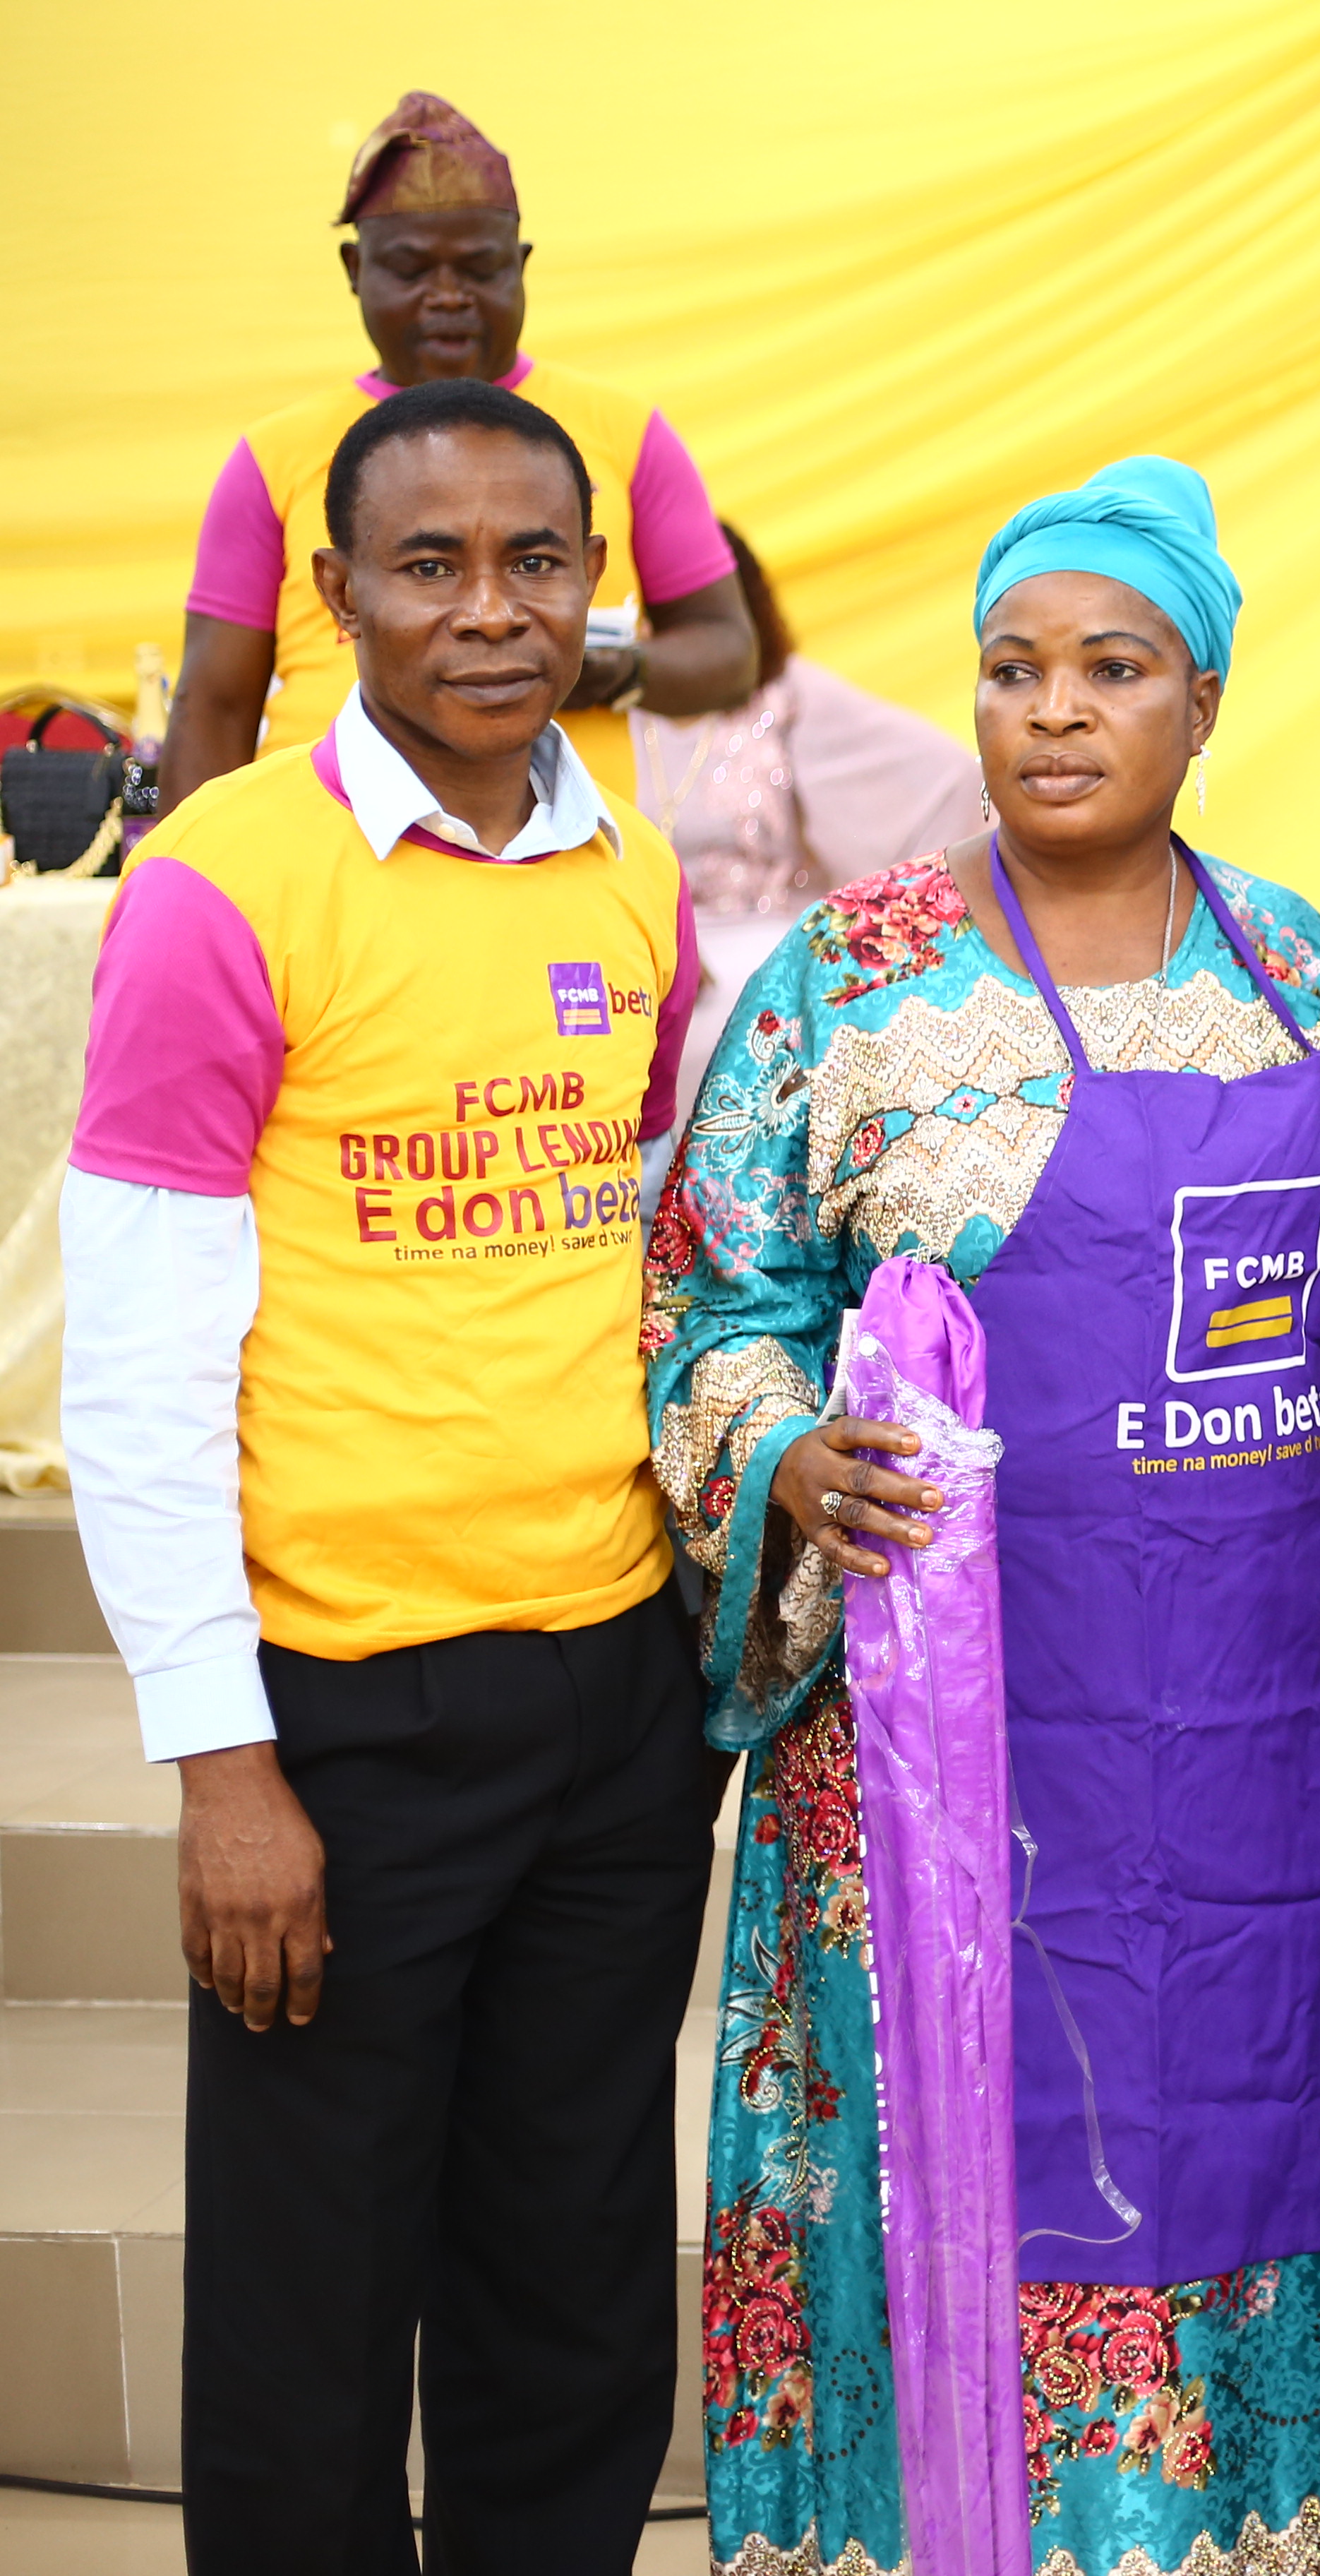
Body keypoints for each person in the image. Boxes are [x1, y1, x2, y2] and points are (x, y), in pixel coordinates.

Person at [646, 457, 1320, 2572]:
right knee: (960, 2161)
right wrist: (781, 1455)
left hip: (1258, 1755)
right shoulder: (850, 985)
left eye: (1113, 668)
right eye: (1013, 671)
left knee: (1251, 2146)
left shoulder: (1311, 982)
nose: (1056, 711)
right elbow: (717, 1293)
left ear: (1205, 702)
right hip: (938, 1759)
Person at [59, 376, 705, 2570]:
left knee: (574, 2289)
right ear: (336, 594)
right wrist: (222, 1764)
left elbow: (640, 1248)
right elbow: (139, 1365)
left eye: (537, 562)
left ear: (595, 585)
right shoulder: (220, 885)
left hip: (613, 1687)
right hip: (342, 1713)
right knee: (309, 2318)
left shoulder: (632, 870)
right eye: (431, 565)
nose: (490, 611)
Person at [154, 90, 757, 818]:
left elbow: (729, 654)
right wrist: (182, 865)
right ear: (355, 269)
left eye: (478, 268)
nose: (447, 297)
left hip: (557, 847)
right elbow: (214, 704)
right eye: (411, 270)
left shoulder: (625, 432)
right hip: (323, 844)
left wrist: (595, 670)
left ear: (521, 266)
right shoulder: (273, 455)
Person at [631, 519, 985, 1118]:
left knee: (760, 1034)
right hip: (634, 964)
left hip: (760, 965)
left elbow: (947, 780)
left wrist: (887, 934)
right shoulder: (589, 710)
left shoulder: (783, 695)